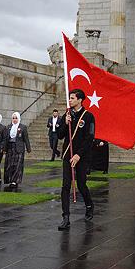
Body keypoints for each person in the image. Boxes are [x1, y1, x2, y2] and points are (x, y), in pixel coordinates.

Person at [58, 89, 95, 231]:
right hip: (68, 154)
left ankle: (89, 205)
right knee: (65, 185)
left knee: (81, 184)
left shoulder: (88, 116)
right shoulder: (67, 114)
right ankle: (66, 217)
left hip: (81, 156)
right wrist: (65, 123)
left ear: (80, 100)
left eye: (72, 98)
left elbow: (89, 138)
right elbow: (60, 135)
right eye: (69, 98)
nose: (70, 100)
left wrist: (78, 155)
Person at [4, 112, 31, 188]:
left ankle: (15, 181)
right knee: (10, 164)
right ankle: (10, 179)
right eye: (13, 118)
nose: (14, 120)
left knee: (18, 165)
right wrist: (4, 149)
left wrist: (28, 148)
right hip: (10, 148)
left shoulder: (23, 127)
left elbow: (26, 138)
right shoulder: (8, 127)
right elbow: (6, 139)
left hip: (19, 148)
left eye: (16, 118)